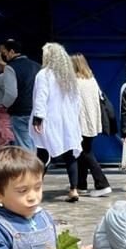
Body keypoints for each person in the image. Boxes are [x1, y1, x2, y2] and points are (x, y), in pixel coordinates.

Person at [32, 43, 83, 203]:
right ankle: (73, 189)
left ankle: (35, 188)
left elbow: (41, 96)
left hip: (50, 120)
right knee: (70, 155)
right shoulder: (69, 77)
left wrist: (38, 117)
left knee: (43, 154)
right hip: (68, 121)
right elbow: (77, 101)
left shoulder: (44, 75)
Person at [71, 53, 111, 197]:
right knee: (84, 151)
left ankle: (102, 183)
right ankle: (81, 184)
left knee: (84, 153)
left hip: (79, 122)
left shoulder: (75, 82)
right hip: (92, 122)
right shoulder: (91, 80)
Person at [0, 39, 42, 151]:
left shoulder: (10, 67)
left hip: (19, 112)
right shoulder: (37, 66)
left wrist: (4, 105)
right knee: (34, 143)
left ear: (12, 51)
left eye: (5, 53)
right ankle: (35, 167)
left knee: (23, 146)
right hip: (36, 111)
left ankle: (28, 168)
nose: (5, 56)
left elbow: (11, 94)